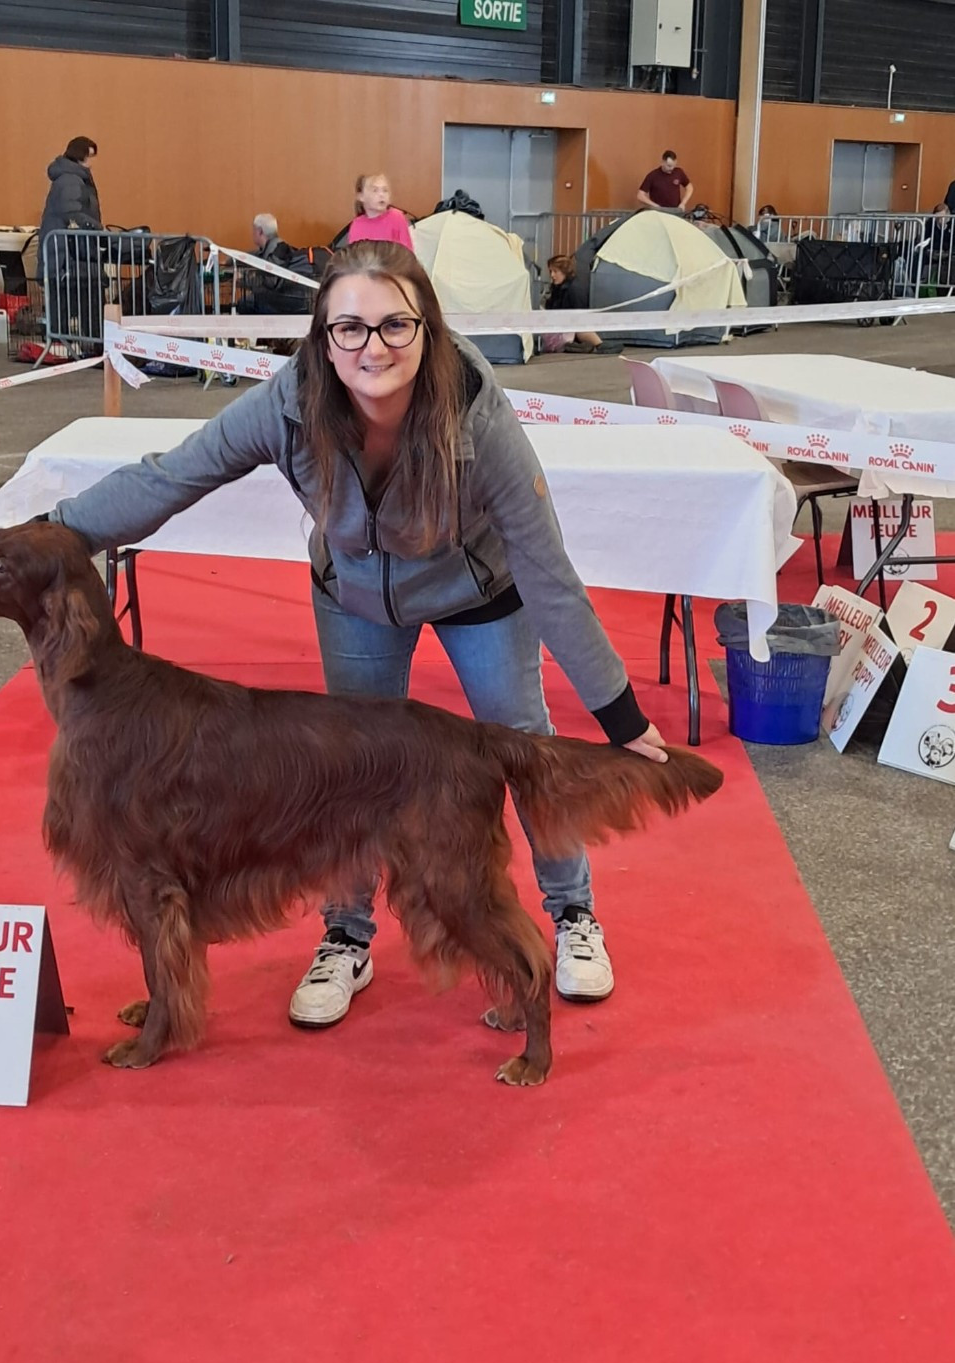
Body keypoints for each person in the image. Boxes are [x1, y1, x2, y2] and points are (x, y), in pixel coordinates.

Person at [43, 240, 669, 1030]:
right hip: (356, 599)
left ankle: (573, 915)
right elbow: (174, 477)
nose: (372, 347)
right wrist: (54, 532)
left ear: (427, 329)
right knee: (344, 769)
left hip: (478, 592)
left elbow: (549, 572)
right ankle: (347, 936)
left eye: (394, 325)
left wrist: (622, 718)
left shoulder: (476, 412)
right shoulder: (289, 402)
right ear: (321, 336)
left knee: (517, 739)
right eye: (349, 328)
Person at [36, 136, 102, 281]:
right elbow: (72, 213)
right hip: (66, 258)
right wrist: (98, 230)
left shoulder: (69, 178)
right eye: (90, 156)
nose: (93, 162)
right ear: (80, 156)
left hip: (63, 255)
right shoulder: (70, 180)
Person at [540, 254, 616, 355]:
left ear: (564, 272)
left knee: (581, 329)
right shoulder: (557, 288)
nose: (552, 275)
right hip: (560, 326)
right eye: (551, 272)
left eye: (555, 271)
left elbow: (579, 314)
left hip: (570, 326)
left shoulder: (573, 290)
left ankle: (598, 345)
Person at [347, 173, 415, 250]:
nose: (381, 194)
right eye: (375, 190)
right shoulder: (357, 225)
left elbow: (407, 252)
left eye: (385, 190)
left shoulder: (397, 217)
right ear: (361, 196)